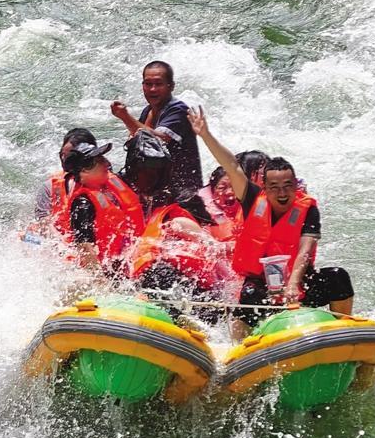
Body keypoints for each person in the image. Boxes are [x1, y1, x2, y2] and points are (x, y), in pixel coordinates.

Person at [188, 107, 354, 336]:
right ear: (264, 188)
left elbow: (305, 250)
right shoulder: (253, 199)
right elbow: (232, 166)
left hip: (299, 283)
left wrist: (293, 284)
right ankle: (240, 346)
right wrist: (205, 135)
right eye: (274, 187)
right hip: (261, 284)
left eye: (287, 186)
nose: (282, 193)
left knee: (337, 276)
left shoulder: (308, 208)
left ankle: (344, 331)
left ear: (296, 186)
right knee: (248, 295)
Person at [111, 60, 202, 197]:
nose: (152, 89)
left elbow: (157, 140)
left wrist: (125, 117)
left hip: (183, 194)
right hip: (156, 189)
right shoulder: (147, 111)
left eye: (158, 84)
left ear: (171, 86)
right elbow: (138, 142)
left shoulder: (179, 111)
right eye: (148, 84)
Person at [63, 141, 144, 272]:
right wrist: (100, 280)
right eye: (100, 160)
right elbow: (85, 247)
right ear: (84, 169)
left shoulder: (112, 186)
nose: (107, 163)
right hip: (107, 268)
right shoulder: (82, 203)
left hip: (128, 256)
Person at [34, 127, 97, 235]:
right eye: (62, 155)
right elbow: (43, 223)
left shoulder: (106, 180)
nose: (64, 160)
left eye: (70, 157)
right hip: (62, 239)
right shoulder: (50, 187)